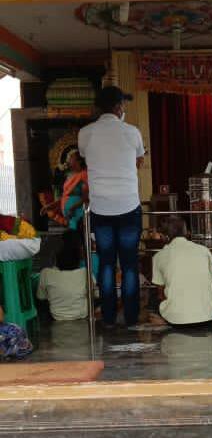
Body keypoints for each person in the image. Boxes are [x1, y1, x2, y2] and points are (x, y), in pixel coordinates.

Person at [78, 85, 145, 328]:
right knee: (129, 264)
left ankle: (107, 317)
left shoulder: (85, 133)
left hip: (101, 209)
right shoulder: (132, 132)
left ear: (98, 108)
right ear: (119, 107)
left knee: (106, 263)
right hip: (128, 205)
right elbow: (139, 160)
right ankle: (130, 317)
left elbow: (85, 157)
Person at [151, 216, 212, 326]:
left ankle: (165, 321)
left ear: (165, 237)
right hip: (208, 317)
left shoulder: (158, 256)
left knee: (153, 303)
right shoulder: (204, 251)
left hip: (176, 321)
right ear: (186, 233)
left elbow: (161, 294)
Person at [37, 230, 91, 321]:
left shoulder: (46, 273)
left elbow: (41, 298)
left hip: (56, 317)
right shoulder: (86, 273)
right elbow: (96, 295)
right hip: (82, 316)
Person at [60, 150, 89, 231]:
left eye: (71, 157)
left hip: (78, 214)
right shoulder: (70, 175)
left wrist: (72, 208)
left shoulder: (84, 174)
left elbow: (86, 197)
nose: (68, 160)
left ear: (79, 161)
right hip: (70, 215)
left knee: (78, 234)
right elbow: (65, 195)